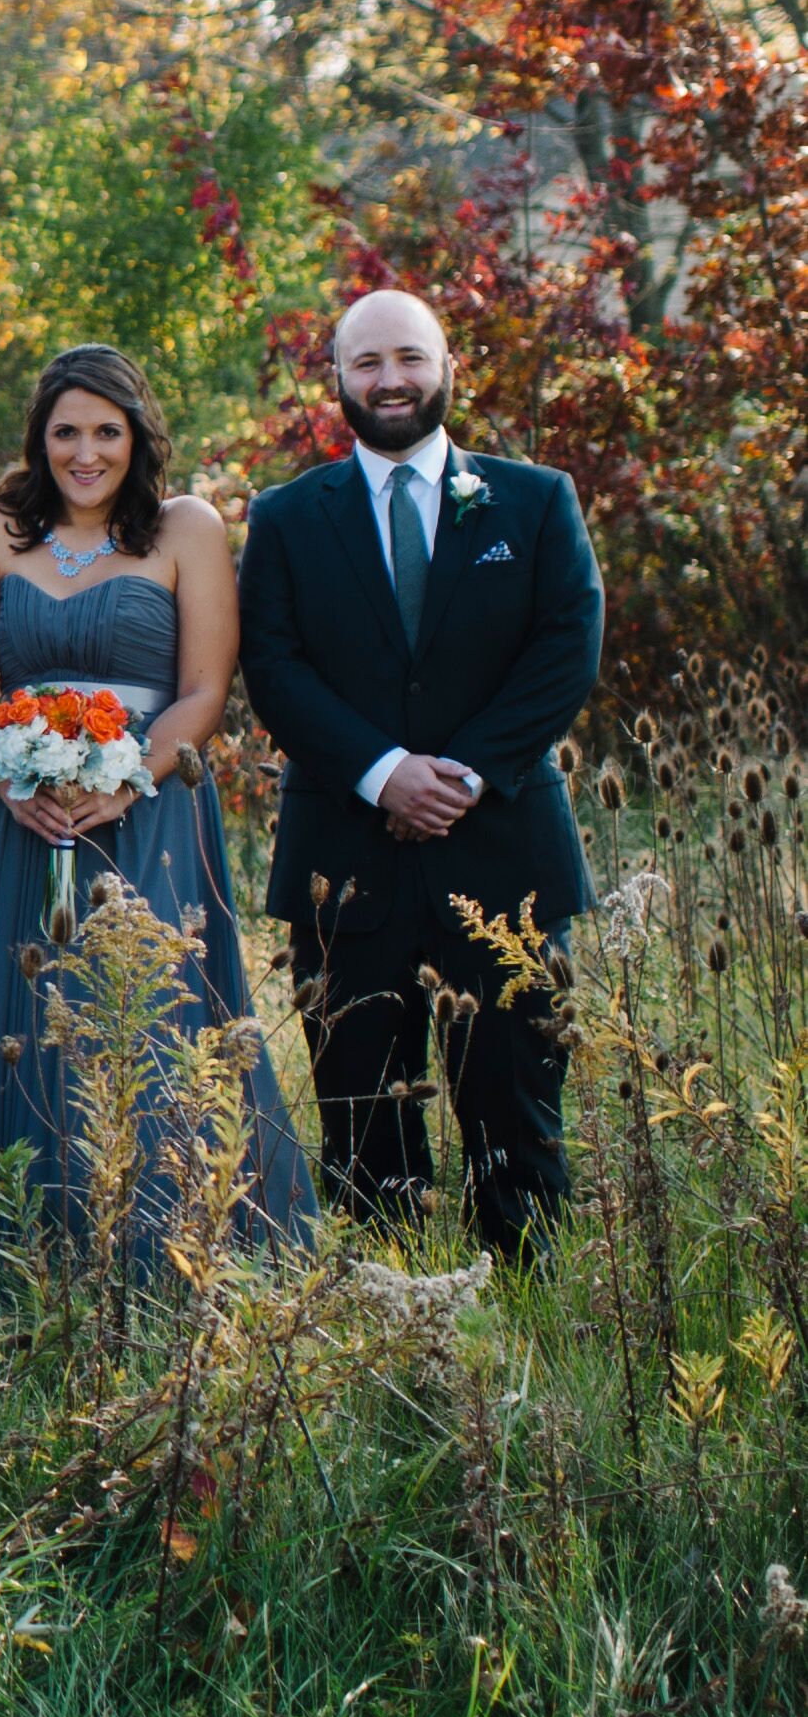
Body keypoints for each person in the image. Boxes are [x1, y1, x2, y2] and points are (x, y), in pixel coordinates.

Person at [0, 346, 315, 1322]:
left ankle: (166, 1258)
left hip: (151, 817)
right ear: (40, 440)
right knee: (21, 1019)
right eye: (66, 431)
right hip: (19, 814)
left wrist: (130, 775)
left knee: (156, 1019)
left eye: (106, 431)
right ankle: (10, 1257)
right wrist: (8, 777)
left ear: (138, 436)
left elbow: (205, 686)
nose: (86, 451)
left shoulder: (185, 527)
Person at [237, 287, 602, 1262]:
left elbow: (566, 644)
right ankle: (389, 1352)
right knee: (363, 1143)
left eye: (408, 356)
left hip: (503, 860)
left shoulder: (532, 499)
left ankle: (523, 1345)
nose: (389, 378)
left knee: (516, 1133)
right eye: (366, 362)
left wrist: (466, 774)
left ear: (448, 367)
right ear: (337, 380)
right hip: (344, 873)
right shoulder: (283, 517)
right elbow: (272, 664)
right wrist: (382, 771)